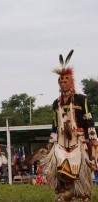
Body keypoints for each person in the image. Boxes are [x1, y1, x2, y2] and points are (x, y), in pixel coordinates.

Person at [43, 50, 98, 201]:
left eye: (65, 81)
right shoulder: (56, 103)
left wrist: (92, 138)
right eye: (60, 81)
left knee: (82, 166)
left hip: (79, 138)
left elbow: (89, 120)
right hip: (62, 139)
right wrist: (50, 143)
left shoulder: (81, 100)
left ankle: (82, 192)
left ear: (71, 82)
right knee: (57, 163)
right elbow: (55, 125)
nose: (62, 83)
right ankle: (64, 191)